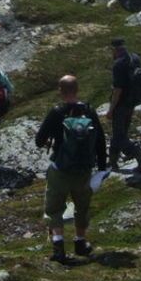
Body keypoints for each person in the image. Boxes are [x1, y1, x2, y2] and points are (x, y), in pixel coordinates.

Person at [35, 74, 108, 262]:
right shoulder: (89, 111)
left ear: (61, 91)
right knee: (82, 207)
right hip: (83, 170)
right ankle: (80, 243)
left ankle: (59, 246)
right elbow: (100, 141)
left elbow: (39, 140)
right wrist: (101, 169)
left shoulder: (57, 112)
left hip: (60, 168)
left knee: (54, 208)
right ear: (77, 90)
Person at [103, 38, 141, 172]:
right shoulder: (134, 57)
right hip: (133, 101)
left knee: (120, 136)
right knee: (119, 133)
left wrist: (111, 109)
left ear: (114, 49)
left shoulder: (118, 64)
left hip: (121, 103)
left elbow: (118, 90)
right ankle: (112, 163)